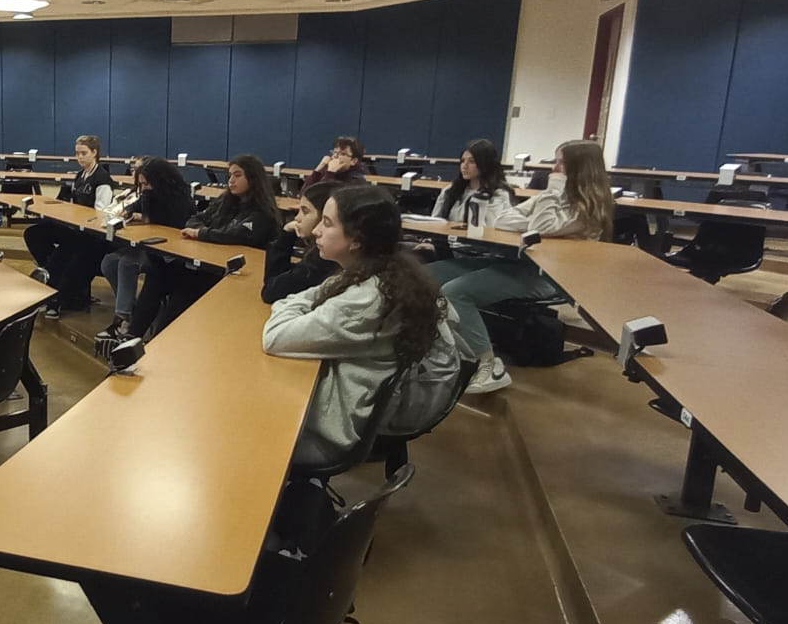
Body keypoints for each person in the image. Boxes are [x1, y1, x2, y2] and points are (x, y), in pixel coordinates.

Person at [261, 184, 469, 470]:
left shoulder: (368, 299)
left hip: (329, 434)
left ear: (356, 240)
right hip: (354, 406)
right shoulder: (384, 271)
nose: (317, 231)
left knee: (240, 423)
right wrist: (296, 303)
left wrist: (288, 306)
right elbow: (307, 296)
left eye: (327, 223)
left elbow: (275, 336)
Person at [429, 140, 615, 395]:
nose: (554, 169)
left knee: (456, 292)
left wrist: (551, 193)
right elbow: (504, 219)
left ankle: (488, 365)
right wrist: (534, 221)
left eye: (560, 163)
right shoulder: (554, 198)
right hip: (512, 262)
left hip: (546, 275)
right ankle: (441, 347)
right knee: (425, 275)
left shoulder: (587, 208)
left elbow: (542, 226)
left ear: (579, 168)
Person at [130, 154, 283, 336]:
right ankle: (132, 336)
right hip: (209, 267)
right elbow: (195, 219)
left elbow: (235, 235)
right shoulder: (226, 201)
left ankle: (160, 337)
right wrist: (203, 231)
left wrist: (202, 233)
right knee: (158, 275)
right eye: (230, 176)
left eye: (237, 175)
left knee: (184, 290)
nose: (231, 181)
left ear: (253, 178)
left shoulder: (263, 214)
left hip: (237, 277)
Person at [97, 157, 192, 341]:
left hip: (172, 256)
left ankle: (124, 320)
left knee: (128, 263)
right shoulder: (151, 194)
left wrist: (145, 208)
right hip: (152, 251)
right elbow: (137, 207)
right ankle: (130, 310)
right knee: (109, 262)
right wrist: (128, 211)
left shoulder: (180, 199)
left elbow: (156, 220)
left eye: (147, 184)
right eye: (141, 185)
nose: (144, 188)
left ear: (160, 181)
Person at [24, 135, 118, 316]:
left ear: (94, 153)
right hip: (76, 227)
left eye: (84, 153)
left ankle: (55, 297)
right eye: (77, 153)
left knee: (65, 252)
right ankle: (49, 274)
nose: (79, 157)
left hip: (92, 233)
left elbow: (101, 212)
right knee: (35, 233)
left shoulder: (102, 179)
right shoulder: (80, 176)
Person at [262, 179, 341, 303]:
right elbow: (282, 278)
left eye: (305, 211)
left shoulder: (324, 261)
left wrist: (286, 236)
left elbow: (271, 292)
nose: (297, 218)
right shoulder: (319, 255)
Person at [428, 139, 516, 226]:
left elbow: (494, 226)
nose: (464, 166)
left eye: (472, 161)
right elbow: (435, 221)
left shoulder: (499, 194)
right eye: (463, 161)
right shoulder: (451, 190)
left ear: (485, 164)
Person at [301, 136, 369, 187]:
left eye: (342, 154)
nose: (335, 156)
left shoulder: (357, 181)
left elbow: (322, 198)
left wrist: (330, 173)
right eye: (335, 152)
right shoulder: (326, 172)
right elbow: (303, 196)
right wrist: (317, 170)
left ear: (353, 161)